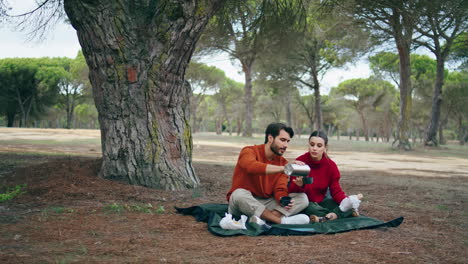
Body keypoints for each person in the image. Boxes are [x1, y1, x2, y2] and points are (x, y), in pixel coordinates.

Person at [226, 123, 310, 226]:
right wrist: (283, 169)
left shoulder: (283, 163)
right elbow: (251, 167)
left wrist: (283, 199)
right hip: (244, 203)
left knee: (302, 198)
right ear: (270, 138)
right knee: (238, 194)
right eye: (282, 140)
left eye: (288, 141)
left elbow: (280, 189)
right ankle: (279, 221)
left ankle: (262, 220)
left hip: (265, 203)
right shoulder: (249, 151)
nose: (286, 145)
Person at [288, 130, 363, 223]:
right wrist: (299, 185)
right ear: (308, 145)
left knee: (341, 205)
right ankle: (339, 214)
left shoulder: (331, 166)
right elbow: (292, 191)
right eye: (312, 144)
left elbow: (336, 191)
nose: (314, 148)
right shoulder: (300, 162)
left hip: (323, 200)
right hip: (306, 203)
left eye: (319, 146)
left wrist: (347, 202)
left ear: (325, 147)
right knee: (313, 210)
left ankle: (326, 217)